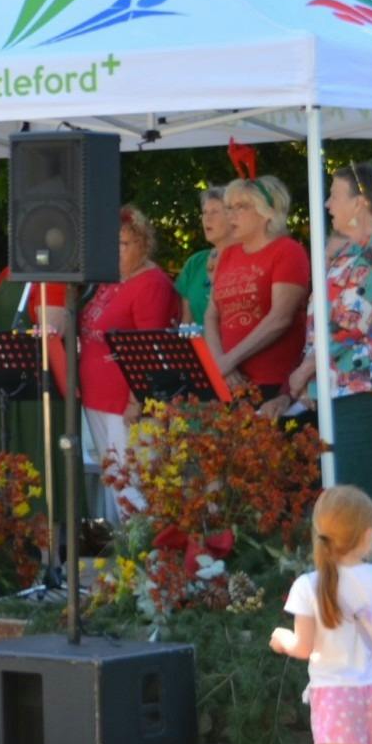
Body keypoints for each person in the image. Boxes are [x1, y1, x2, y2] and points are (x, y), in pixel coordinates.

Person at [264, 163, 372, 526]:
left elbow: (348, 325)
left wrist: (303, 371)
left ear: (360, 202)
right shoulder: (350, 254)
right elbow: (322, 325)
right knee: (347, 493)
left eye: (334, 195)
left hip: (370, 386)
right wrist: (309, 381)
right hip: (343, 388)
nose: (328, 204)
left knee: (371, 494)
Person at [270, 485, 372, 744]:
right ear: (365, 535)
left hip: (335, 694)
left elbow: (303, 647)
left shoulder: (307, 585)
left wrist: (281, 638)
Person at [75, 205, 180, 521]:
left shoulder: (152, 283)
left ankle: (148, 555)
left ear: (143, 244)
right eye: (112, 245)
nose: (116, 252)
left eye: (123, 244)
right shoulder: (107, 280)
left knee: (133, 481)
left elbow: (151, 345)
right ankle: (125, 552)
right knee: (113, 478)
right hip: (97, 396)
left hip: (126, 400)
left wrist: (137, 397)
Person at [206, 175, 310, 401]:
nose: (230, 215)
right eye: (229, 207)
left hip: (273, 383)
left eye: (240, 207)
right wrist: (220, 363)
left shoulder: (287, 251)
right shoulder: (229, 255)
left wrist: (228, 360)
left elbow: (281, 318)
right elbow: (211, 316)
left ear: (267, 212)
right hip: (229, 380)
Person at [175, 186, 230, 326]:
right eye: (204, 212)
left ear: (233, 217)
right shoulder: (195, 262)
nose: (207, 218)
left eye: (215, 212)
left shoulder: (248, 259)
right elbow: (186, 322)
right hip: (198, 346)